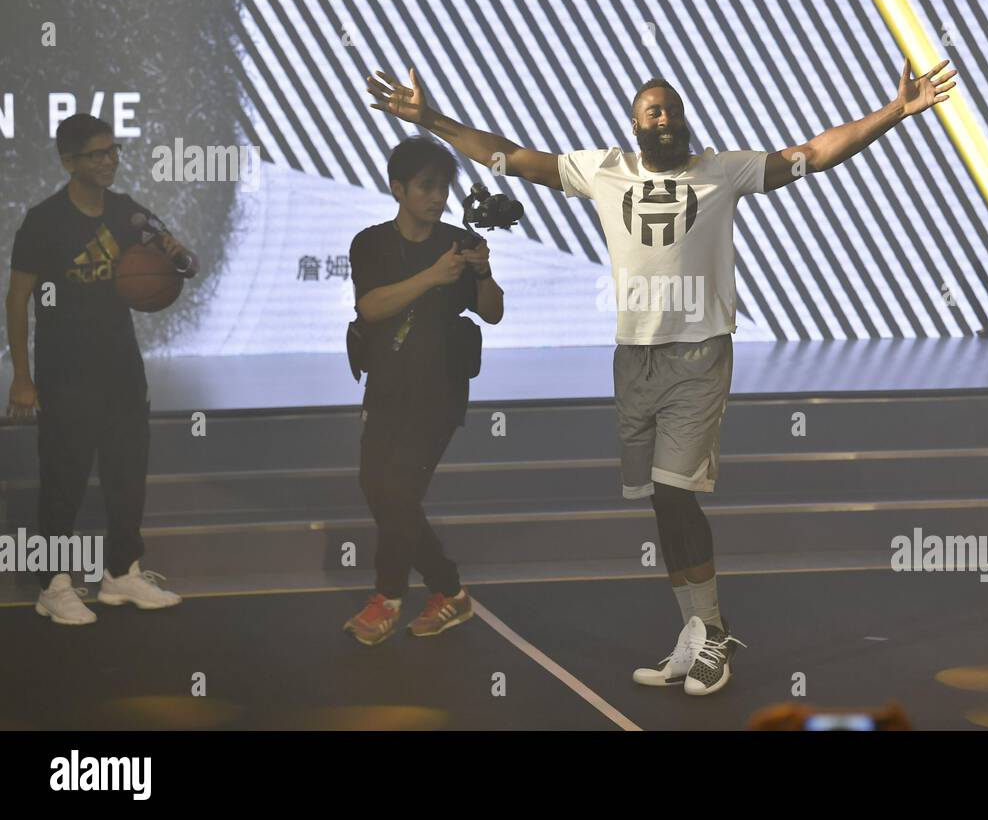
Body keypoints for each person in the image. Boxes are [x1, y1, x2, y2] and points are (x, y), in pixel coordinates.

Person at [366, 57, 955, 691]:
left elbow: (814, 152)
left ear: (684, 119)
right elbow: (510, 155)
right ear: (635, 124)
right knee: (660, 502)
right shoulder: (604, 170)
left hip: (699, 355)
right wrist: (430, 119)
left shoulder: (722, 172)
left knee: (675, 493)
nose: (664, 117)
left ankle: (716, 637)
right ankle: (694, 633)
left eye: (672, 108)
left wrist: (895, 112)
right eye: (653, 111)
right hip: (635, 359)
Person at [5, 113, 192, 624]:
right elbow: (17, 300)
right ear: (69, 161)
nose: (109, 161)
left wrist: (177, 257)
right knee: (63, 478)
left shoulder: (129, 213)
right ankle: (53, 584)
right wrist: (22, 377)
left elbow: (179, 257)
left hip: (121, 368)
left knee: (127, 473)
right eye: (97, 153)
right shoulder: (43, 222)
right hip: (65, 372)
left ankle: (122, 573)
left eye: (114, 151)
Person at [343, 136, 504, 646]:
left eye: (444, 186)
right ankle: (449, 591)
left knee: (400, 492)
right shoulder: (371, 242)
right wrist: (433, 276)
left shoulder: (460, 240)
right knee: (378, 487)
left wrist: (481, 273)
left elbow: (493, 310)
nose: (438, 196)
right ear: (399, 189)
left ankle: (387, 597)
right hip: (387, 383)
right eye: (426, 186)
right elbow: (371, 307)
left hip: (440, 388)